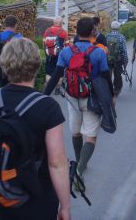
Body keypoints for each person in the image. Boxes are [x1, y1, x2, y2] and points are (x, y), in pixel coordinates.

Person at [0, 37, 72, 220]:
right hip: (35, 201)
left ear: (4, 66)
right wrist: (65, 206)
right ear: (37, 65)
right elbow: (57, 162)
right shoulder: (47, 106)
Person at [44, 17, 113, 178]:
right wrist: (110, 96)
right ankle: (80, 168)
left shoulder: (67, 52)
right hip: (92, 99)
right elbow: (106, 77)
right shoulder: (98, 53)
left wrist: (43, 95)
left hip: (72, 97)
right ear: (92, 32)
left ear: (76, 31)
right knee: (91, 136)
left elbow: (56, 76)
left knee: (76, 133)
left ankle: (78, 161)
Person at [42, 17, 69, 86]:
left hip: (49, 55)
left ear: (53, 23)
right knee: (60, 73)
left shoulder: (47, 30)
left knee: (49, 72)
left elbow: (44, 43)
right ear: (60, 23)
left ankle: (48, 86)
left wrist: (46, 52)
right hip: (60, 56)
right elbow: (67, 45)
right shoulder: (63, 32)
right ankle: (57, 88)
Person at [105, 20, 129, 97]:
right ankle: (116, 89)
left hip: (108, 59)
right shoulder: (121, 37)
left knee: (108, 74)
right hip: (118, 60)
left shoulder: (107, 36)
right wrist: (125, 62)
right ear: (118, 28)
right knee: (117, 75)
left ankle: (108, 89)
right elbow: (124, 51)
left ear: (111, 27)